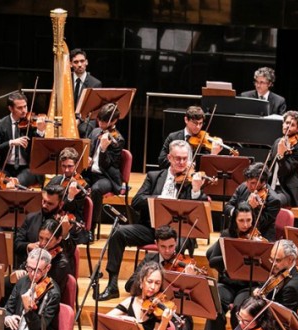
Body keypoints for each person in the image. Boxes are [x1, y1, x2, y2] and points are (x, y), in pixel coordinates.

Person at [97, 140, 208, 301]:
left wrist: (196, 191)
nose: (181, 162)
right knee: (118, 233)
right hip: (150, 229)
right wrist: (159, 199)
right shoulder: (154, 176)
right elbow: (136, 201)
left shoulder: (193, 182)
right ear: (169, 157)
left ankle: (171, 288)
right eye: (177, 158)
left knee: (183, 242)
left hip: (177, 233)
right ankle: (112, 284)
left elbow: (198, 214)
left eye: (185, 159)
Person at [204, 203, 263, 330]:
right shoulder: (226, 235)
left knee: (240, 309)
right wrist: (231, 255)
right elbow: (212, 261)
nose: (246, 225)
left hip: (247, 285)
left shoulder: (258, 238)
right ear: (234, 221)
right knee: (216, 304)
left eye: (249, 220)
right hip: (227, 284)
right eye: (241, 220)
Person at [251, 239, 298, 330]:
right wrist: (258, 291)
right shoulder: (281, 271)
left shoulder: (292, 286)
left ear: (290, 259)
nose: (272, 263)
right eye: (271, 259)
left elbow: (281, 321)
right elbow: (264, 287)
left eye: (277, 260)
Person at [15, 184, 86, 273]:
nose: (44, 205)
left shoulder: (66, 222)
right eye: (43, 201)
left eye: (50, 203)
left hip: (55, 271)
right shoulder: (31, 218)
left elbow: (70, 252)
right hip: (28, 268)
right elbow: (17, 244)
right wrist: (29, 246)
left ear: (60, 204)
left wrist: (65, 234)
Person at [0, 91, 46, 187]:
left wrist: (40, 131)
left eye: (25, 106)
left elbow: (39, 150)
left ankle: (15, 182)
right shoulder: (0, 124)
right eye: (19, 108)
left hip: (27, 168)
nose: (24, 110)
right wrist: (11, 142)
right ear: (10, 108)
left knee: (16, 183)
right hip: (5, 167)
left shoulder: (32, 123)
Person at [83, 103, 125, 230]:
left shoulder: (118, 140)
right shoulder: (95, 132)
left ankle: (91, 226)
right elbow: (88, 150)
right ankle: (79, 223)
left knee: (96, 190)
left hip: (106, 177)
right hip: (90, 173)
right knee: (74, 184)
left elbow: (107, 164)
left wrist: (103, 149)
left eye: (105, 121)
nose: (101, 124)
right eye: (99, 120)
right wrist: (87, 158)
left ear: (114, 121)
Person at [125, 225, 195, 293]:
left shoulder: (182, 262)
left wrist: (189, 279)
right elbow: (129, 285)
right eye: (163, 246)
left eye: (171, 246)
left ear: (176, 243)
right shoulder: (149, 259)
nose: (167, 251)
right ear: (156, 243)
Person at [10, 219, 71, 296]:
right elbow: (21, 270)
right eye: (40, 238)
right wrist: (19, 273)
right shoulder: (38, 252)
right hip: (26, 291)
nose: (42, 243)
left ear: (58, 239)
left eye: (48, 240)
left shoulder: (61, 263)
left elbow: (45, 288)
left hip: (45, 299)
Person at [224, 162, 281, 242]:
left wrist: (253, 209)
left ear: (263, 182)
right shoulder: (243, 187)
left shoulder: (274, 200)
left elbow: (261, 224)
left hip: (260, 237)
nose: (248, 185)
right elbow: (227, 206)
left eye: (253, 183)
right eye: (247, 181)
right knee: (210, 252)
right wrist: (236, 212)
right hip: (237, 232)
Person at [157, 106, 222, 169]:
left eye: (200, 123)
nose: (198, 127)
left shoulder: (203, 142)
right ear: (186, 120)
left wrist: (213, 154)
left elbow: (206, 167)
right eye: (195, 123)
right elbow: (162, 161)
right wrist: (181, 164)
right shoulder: (173, 137)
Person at [266, 110, 298, 208]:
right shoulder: (278, 142)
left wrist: (281, 155)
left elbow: (285, 171)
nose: (287, 126)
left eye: (292, 125)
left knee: (272, 201)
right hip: (271, 186)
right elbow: (268, 165)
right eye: (286, 123)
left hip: (286, 189)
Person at [46, 147, 89, 219]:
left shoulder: (82, 186)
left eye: (70, 166)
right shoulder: (55, 180)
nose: (66, 170)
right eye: (63, 166)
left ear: (76, 164)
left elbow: (72, 210)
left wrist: (70, 196)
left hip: (71, 220)